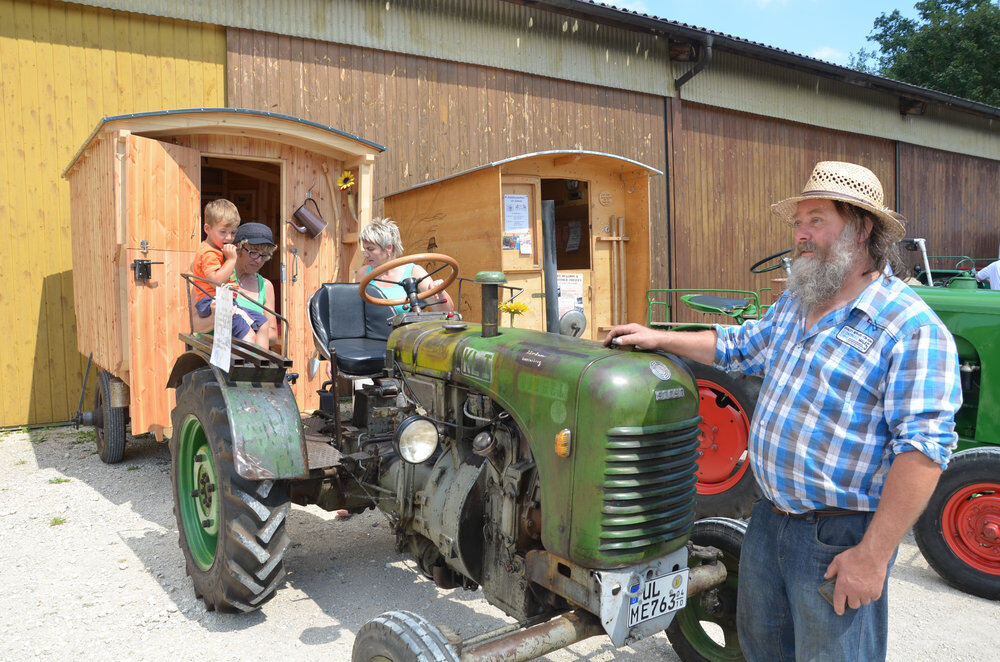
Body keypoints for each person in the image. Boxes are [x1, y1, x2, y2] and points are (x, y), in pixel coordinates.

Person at [605, 161, 961, 661]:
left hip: (838, 537)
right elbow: (741, 345)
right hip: (768, 521)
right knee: (762, 652)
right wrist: (658, 337)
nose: (800, 235)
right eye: (798, 223)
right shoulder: (798, 303)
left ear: (861, 228)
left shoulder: (910, 328)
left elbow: (924, 452)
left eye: (816, 220)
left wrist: (874, 556)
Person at [191, 199, 267, 345]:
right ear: (207, 229)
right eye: (223, 232)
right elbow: (215, 282)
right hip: (213, 301)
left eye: (233, 233)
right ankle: (241, 367)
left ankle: (263, 363)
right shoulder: (209, 253)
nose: (228, 238)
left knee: (262, 322)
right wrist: (232, 260)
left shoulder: (217, 250)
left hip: (225, 300)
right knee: (249, 336)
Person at [357, 217, 454, 314]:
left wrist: (440, 292)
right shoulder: (363, 274)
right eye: (365, 249)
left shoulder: (414, 272)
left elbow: (447, 311)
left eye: (370, 249)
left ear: (388, 248)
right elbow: (356, 310)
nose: (366, 254)